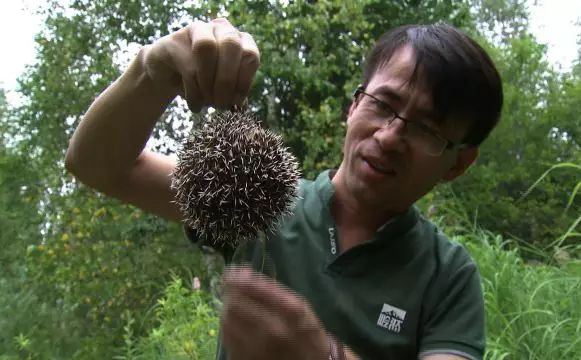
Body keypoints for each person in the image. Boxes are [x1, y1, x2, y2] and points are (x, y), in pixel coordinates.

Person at [65, 17, 502, 360]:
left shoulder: (449, 275)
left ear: (458, 164)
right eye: (382, 104)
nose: (389, 136)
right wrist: (153, 70)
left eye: (426, 129)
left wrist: (318, 354)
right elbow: (99, 166)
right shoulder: (255, 195)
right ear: (353, 107)